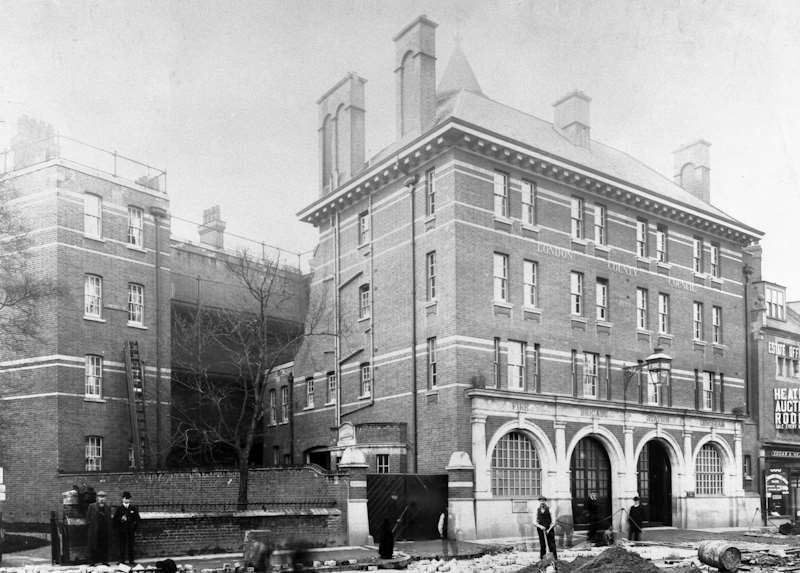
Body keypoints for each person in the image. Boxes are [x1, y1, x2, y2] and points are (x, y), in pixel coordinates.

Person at [113, 491, 140, 564]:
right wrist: (121, 519)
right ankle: (122, 560)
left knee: (131, 545)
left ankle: (131, 560)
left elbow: (137, 519)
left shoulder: (133, 508)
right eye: (125, 498)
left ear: (130, 499)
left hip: (130, 530)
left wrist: (134, 527)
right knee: (122, 545)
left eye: (128, 498)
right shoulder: (119, 509)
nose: (127, 500)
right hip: (122, 531)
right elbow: (115, 519)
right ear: (122, 499)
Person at [86, 490, 111, 565]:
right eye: (100, 497)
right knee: (93, 546)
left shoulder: (107, 507)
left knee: (104, 546)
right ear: (97, 498)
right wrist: (91, 526)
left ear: (105, 498)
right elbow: (88, 518)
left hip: (104, 530)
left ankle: (104, 561)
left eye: (103, 497)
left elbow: (109, 519)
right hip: (95, 530)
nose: (102, 499)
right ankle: (92, 561)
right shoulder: (92, 506)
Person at [534, 496, 557, 565]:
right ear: (539, 502)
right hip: (540, 529)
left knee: (551, 544)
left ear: (545, 502)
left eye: (543, 501)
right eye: (541, 501)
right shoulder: (536, 510)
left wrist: (549, 529)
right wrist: (540, 527)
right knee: (542, 544)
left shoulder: (550, 509)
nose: (542, 502)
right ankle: (543, 560)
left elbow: (554, 521)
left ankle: (554, 559)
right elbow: (534, 521)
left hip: (549, 528)